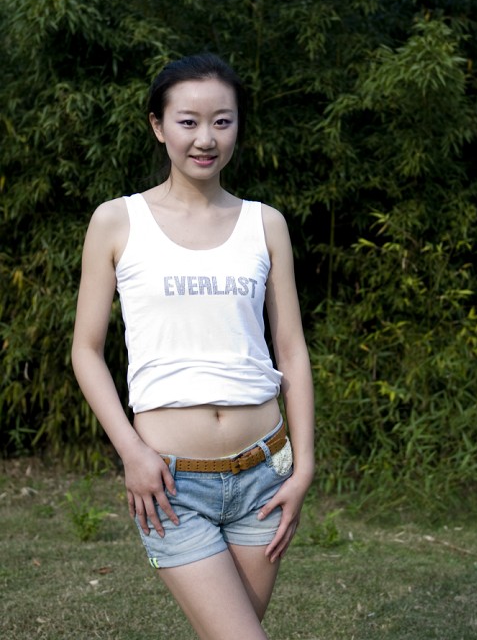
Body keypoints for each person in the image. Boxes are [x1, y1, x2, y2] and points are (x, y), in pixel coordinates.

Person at [71, 53, 314, 640]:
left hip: (265, 471)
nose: (206, 138)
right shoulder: (117, 221)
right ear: (158, 126)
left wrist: (304, 466)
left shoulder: (265, 224)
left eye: (222, 121)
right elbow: (85, 350)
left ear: (238, 126)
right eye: (188, 121)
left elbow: (290, 349)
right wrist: (132, 453)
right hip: (170, 483)